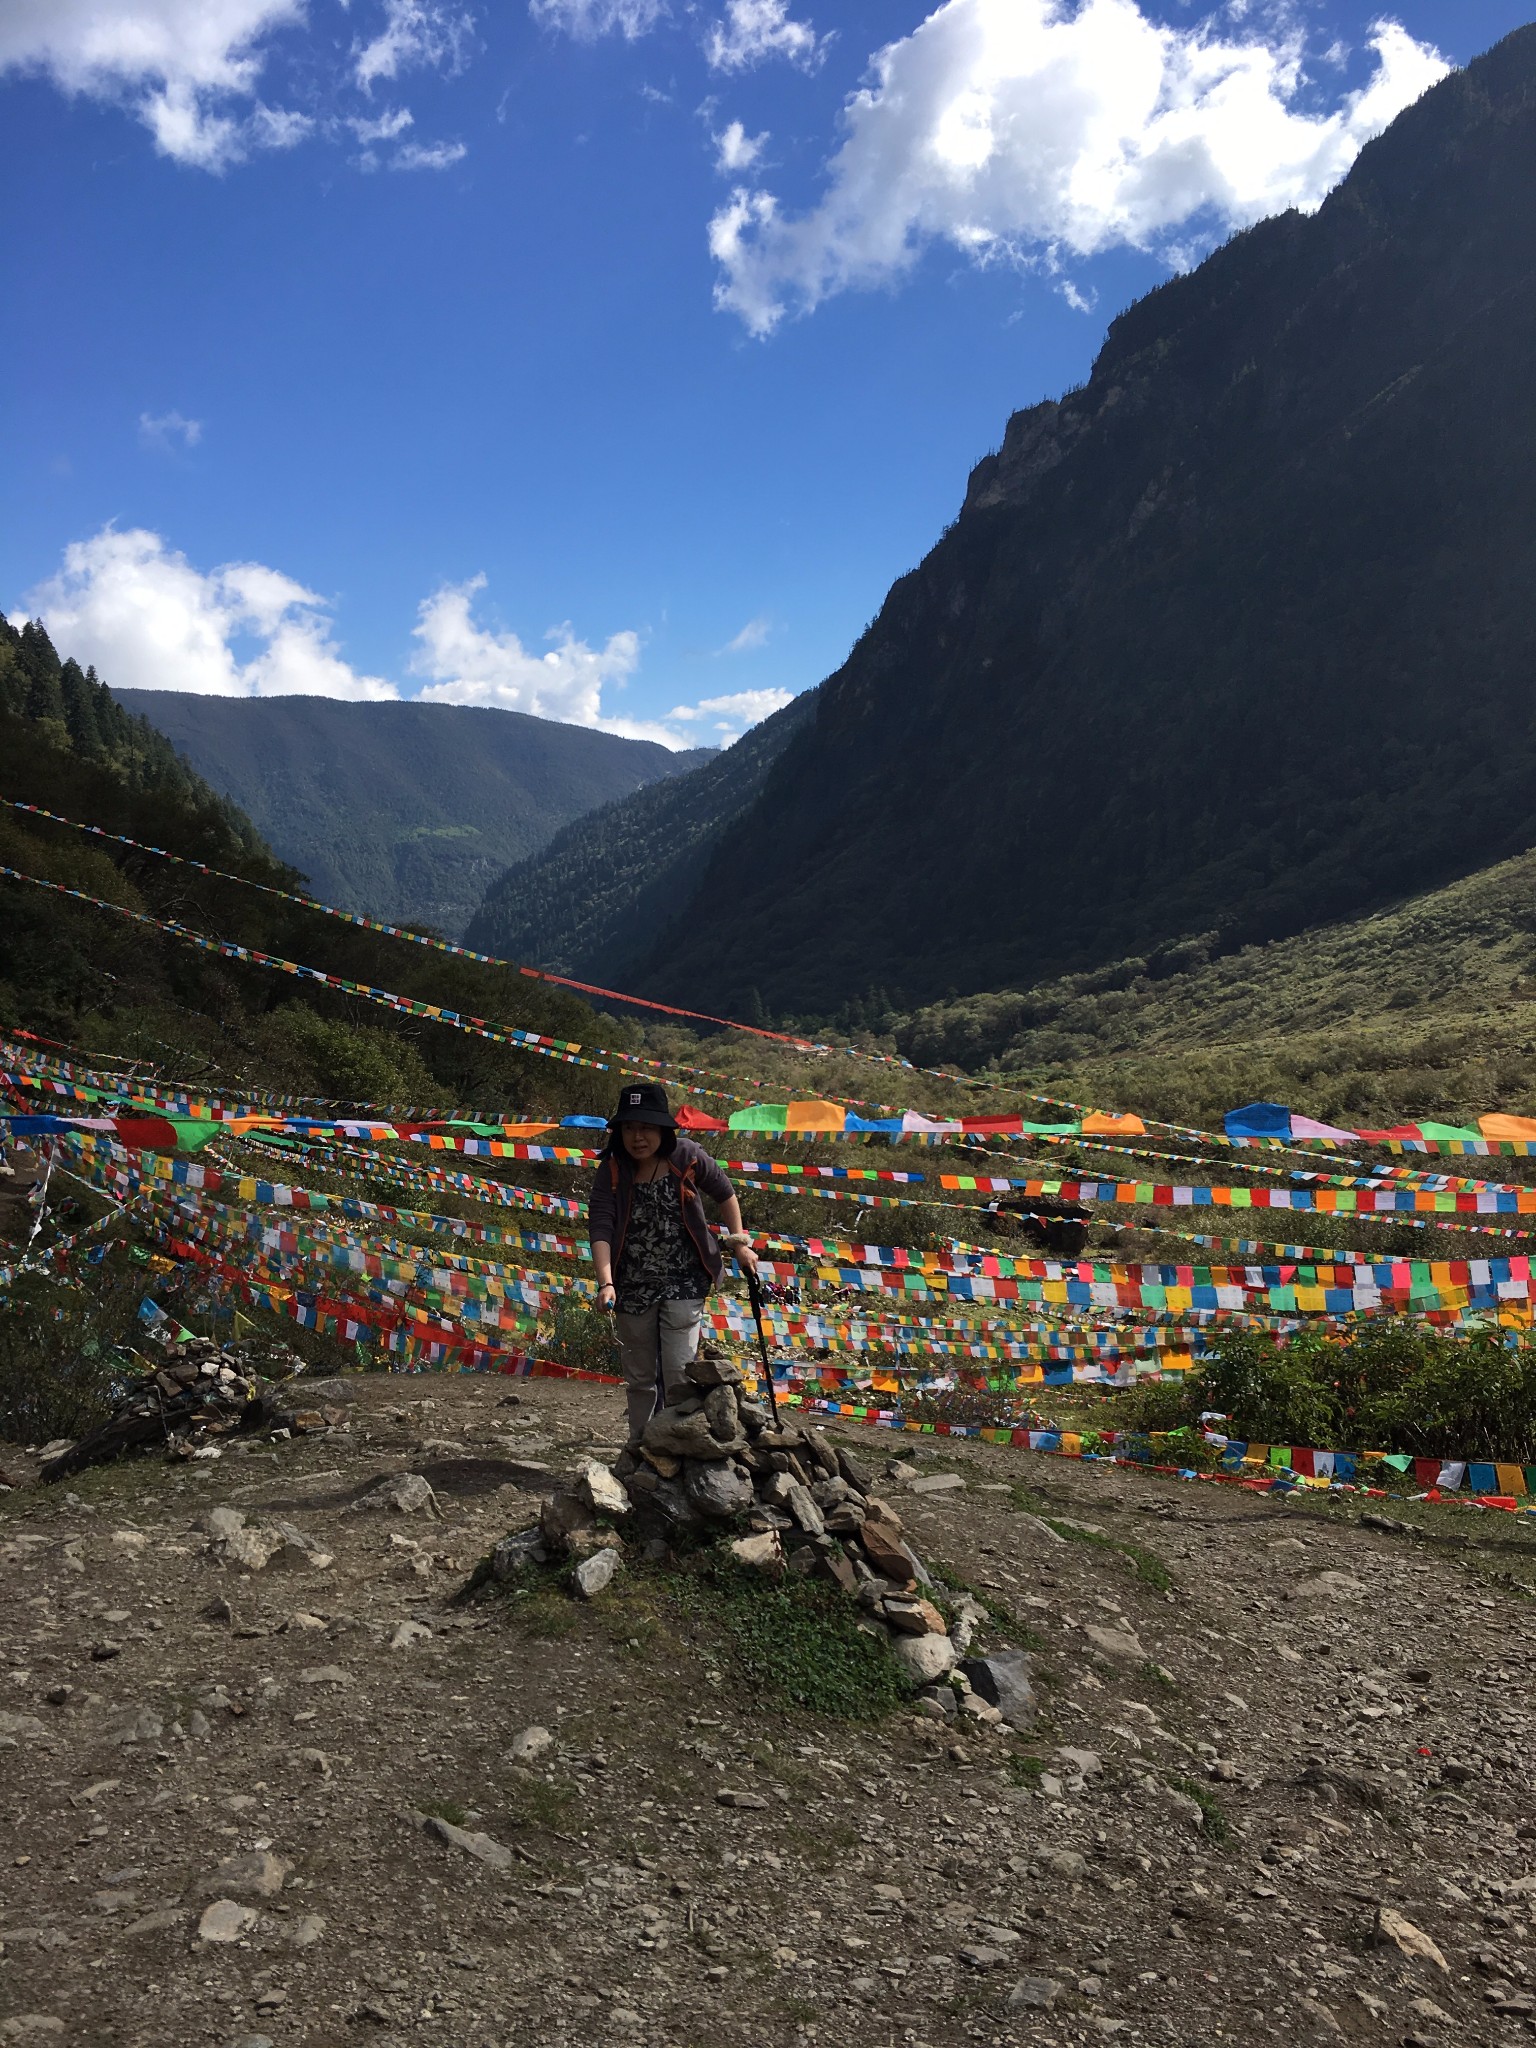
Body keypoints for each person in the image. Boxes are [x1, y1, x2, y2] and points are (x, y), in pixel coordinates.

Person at [587, 1080, 758, 1448]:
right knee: (640, 1377)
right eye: (630, 1127)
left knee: (680, 1373)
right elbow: (601, 1225)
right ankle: (640, 1450)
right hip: (630, 1283)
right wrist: (606, 1283)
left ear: (663, 1129)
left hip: (685, 1279)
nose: (637, 1137)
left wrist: (739, 1243)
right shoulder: (613, 1169)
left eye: (646, 1127)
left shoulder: (687, 1156)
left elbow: (725, 1193)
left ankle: (677, 1452)